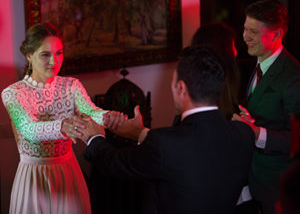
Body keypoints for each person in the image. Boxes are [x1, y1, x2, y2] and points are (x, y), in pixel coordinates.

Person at [71, 46, 255, 214]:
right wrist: (138, 132)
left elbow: (117, 163)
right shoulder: (243, 134)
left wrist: (94, 138)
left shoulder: (164, 143)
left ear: (181, 88)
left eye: (173, 81)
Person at [1, 22, 125, 214]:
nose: (54, 61)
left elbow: (90, 111)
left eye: (59, 53)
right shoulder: (13, 93)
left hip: (68, 173)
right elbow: (28, 128)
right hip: (33, 177)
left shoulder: (71, 85)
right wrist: (62, 126)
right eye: (46, 55)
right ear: (29, 56)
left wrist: (107, 116)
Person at [232, 0, 300, 214]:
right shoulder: (259, 63)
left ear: (277, 35)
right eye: (244, 29)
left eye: (253, 31)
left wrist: (256, 133)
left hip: (278, 188)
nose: (245, 37)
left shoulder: (294, 77)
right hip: (254, 182)